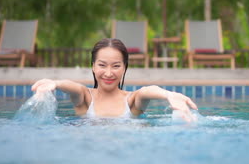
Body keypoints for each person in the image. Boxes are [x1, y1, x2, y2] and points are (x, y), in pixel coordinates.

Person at [31, 38, 198, 122]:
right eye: (102, 65)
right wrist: (57, 83)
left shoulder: (132, 100)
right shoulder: (85, 98)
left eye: (116, 66)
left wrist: (168, 95)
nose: (109, 73)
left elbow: (147, 91)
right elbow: (73, 87)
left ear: (124, 67)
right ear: (93, 66)